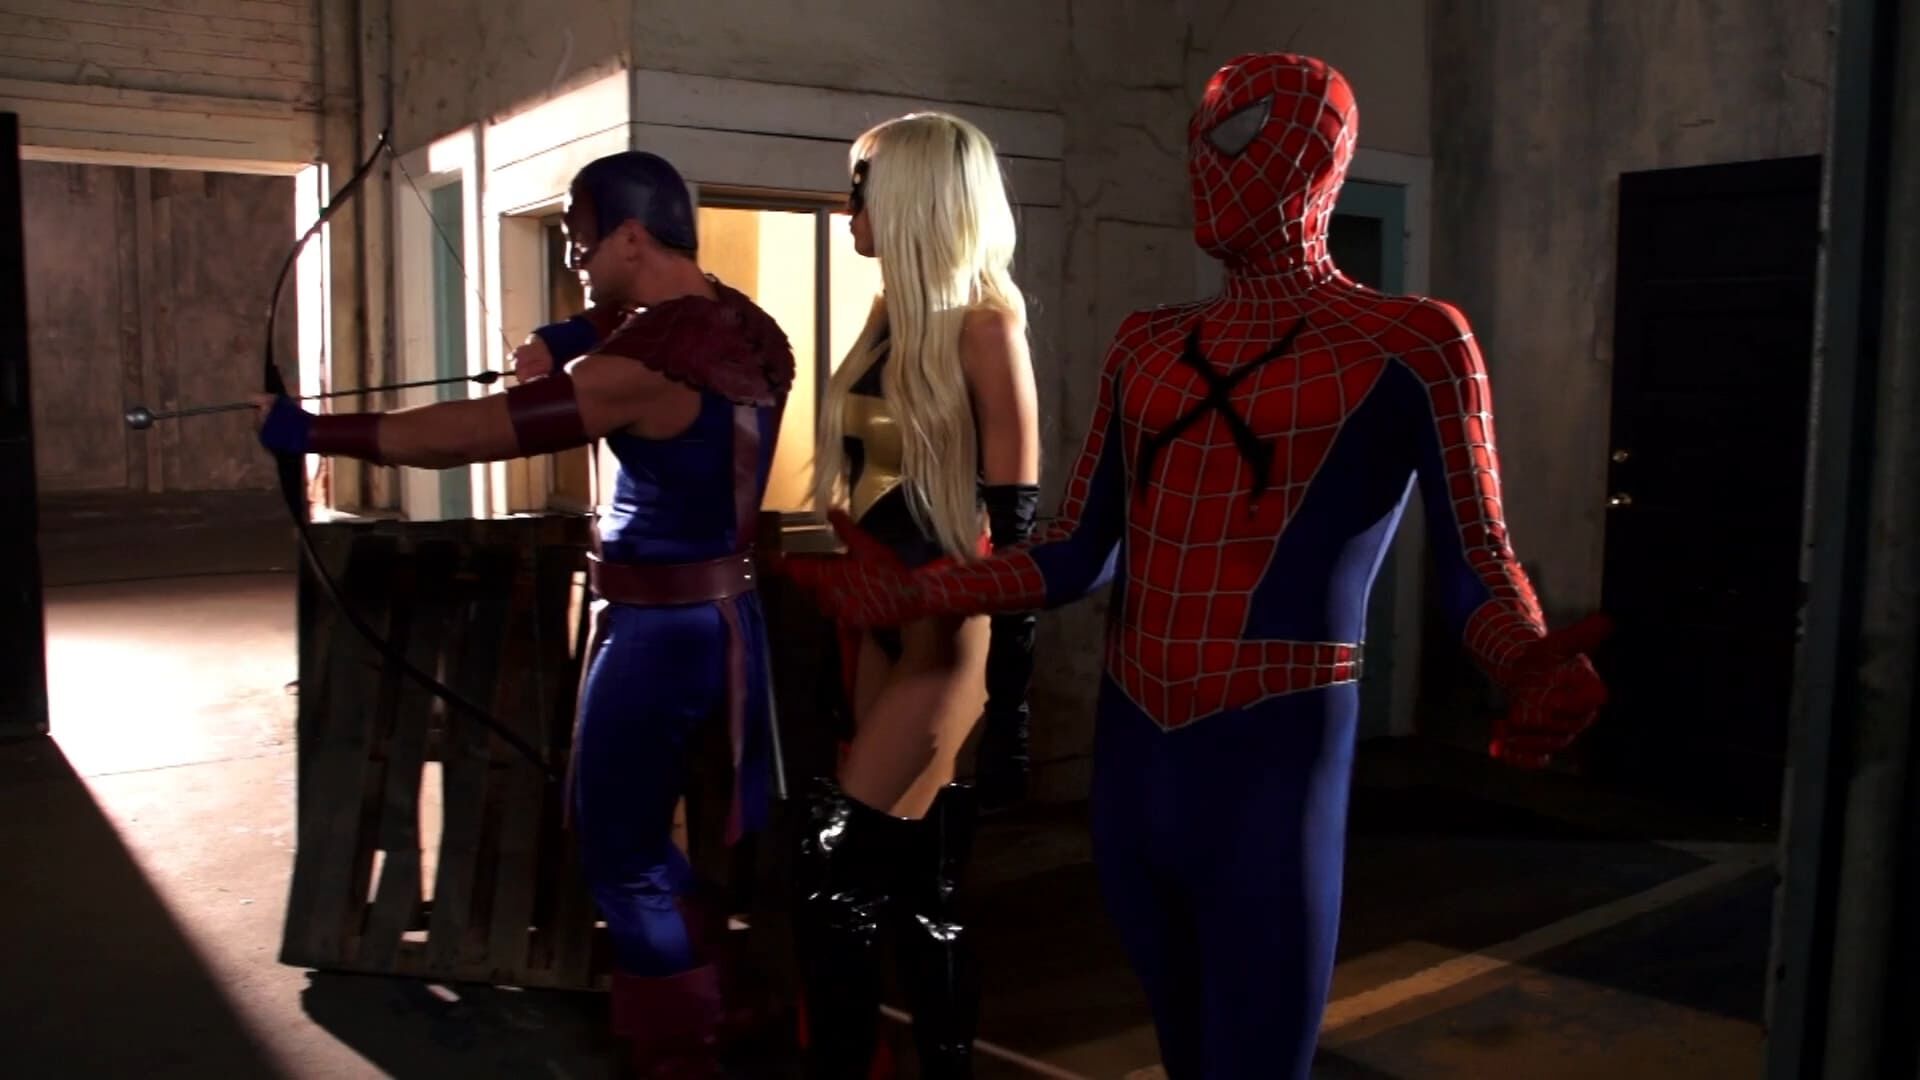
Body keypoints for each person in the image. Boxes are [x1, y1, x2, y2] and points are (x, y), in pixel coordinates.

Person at [781, 54, 1609, 1079]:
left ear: (1319, 158)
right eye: (1197, 143)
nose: (1207, 169)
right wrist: (923, 591)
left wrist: (1522, 658)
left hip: (1274, 748)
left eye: (1238, 138)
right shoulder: (1147, 345)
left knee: (1255, 1052)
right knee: (1182, 1039)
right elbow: (1075, 551)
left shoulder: (1414, 342)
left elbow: (1478, 554)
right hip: (1137, 752)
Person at [253, 149, 795, 1077]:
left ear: (632, 236)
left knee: (618, 849)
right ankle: (709, 998)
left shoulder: (638, 367)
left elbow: (477, 432)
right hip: (720, 618)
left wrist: (314, 433)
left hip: (658, 634)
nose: (575, 260)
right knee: (637, 834)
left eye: (584, 243)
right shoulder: (743, 325)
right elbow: (629, 325)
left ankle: (681, 1051)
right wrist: (564, 334)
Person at [793, 112, 1042, 1080]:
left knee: (834, 874)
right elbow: (858, 493)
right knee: (918, 890)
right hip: (879, 629)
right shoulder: (887, 322)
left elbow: (1017, 535)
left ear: (914, 198)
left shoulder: (987, 329)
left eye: (861, 187)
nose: (848, 207)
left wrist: (1012, 709)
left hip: (944, 638)